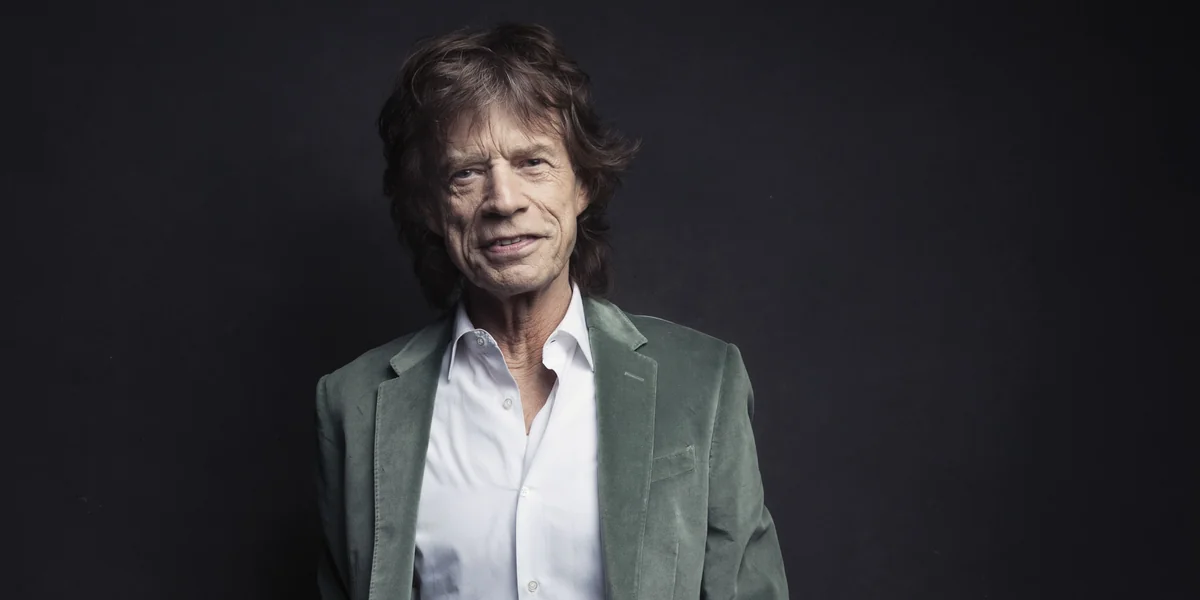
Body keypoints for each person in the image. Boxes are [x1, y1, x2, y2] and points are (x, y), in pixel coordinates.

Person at [315, 22, 788, 600]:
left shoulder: (703, 382)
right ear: (431, 208)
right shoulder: (354, 405)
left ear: (582, 183)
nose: (504, 200)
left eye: (533, 162)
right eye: (466, 173)